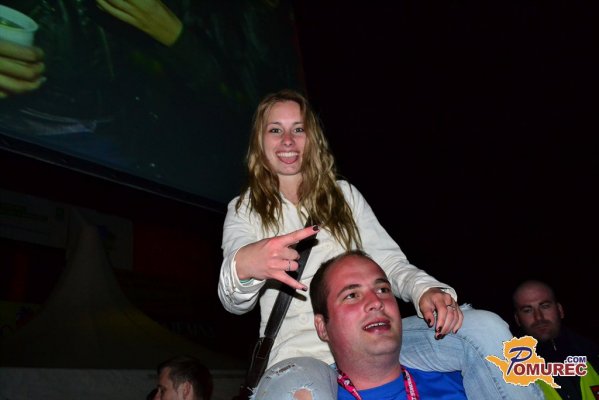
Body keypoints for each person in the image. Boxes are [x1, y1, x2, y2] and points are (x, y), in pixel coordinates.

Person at [218, 88, 544, 399]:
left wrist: (424, 290)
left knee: (485, 328)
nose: (288, 140)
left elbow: (389, 263)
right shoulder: (244, 209)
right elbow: (233, 300)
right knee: (299, 393)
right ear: (260, 141)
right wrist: (244, 267)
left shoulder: (344, 196)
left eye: (298, 129)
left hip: (373, 332)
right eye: (275, 130)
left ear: (312, 138)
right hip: (301, 352)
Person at [512, 279, 599, 400]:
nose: (538, 317)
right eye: (527, 310)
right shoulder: (510, 374)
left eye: (545, 306)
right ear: (518, 319)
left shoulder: (593, 354)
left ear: (560, 310)